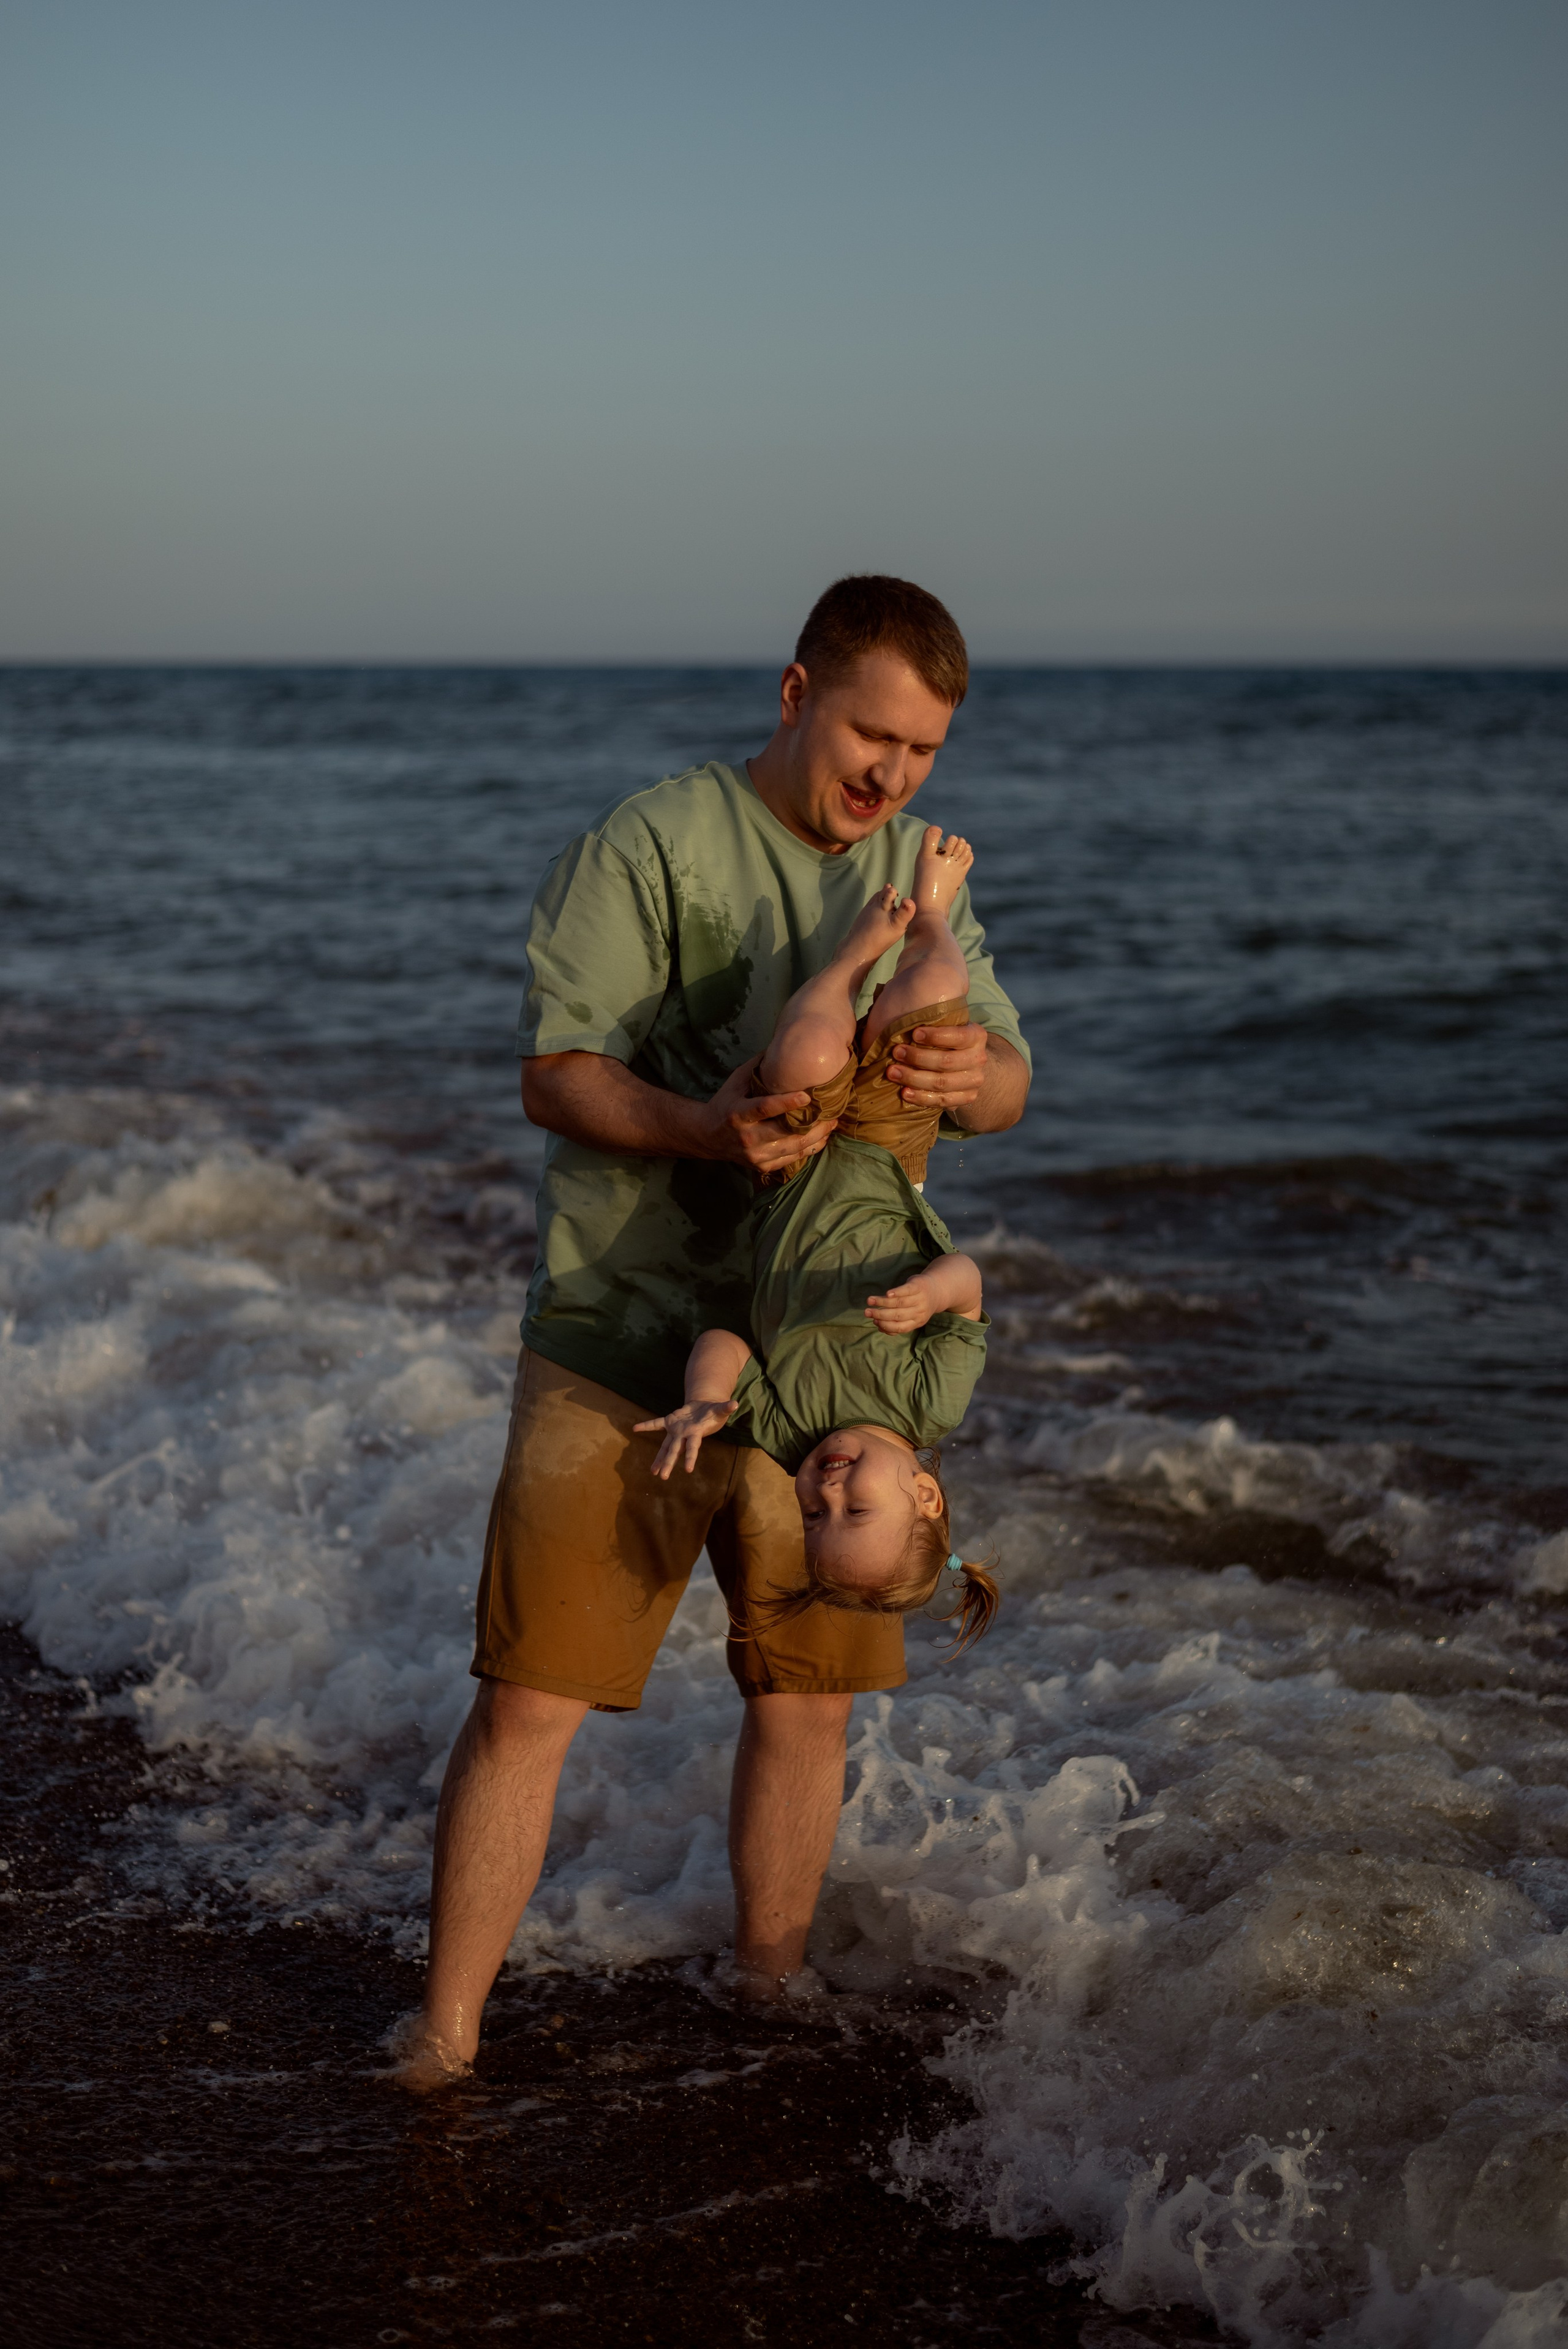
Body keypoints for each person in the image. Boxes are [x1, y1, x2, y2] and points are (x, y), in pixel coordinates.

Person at [396, 575, 1030, 2086]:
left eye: (926, 752)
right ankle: (444, 2031)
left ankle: (767, 1989)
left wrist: (968, 1079)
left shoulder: (918, 883)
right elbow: (554, 1076)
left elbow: (1009, 1077)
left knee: (805, 1709)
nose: (892, 775)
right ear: (798, 690)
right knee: (531, 1698)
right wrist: (700, 1124)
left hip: (827, 1387)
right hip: (622, 1330)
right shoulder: (653, 841)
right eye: (873, 732)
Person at [633, 826, 1001, 1648]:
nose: (827, 1490)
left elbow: (727, 1338)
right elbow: (971, 1281)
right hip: (887, 1151)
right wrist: (932, 1293)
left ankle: (848, 963)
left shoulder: (781, 1428)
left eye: (813, 1513)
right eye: (855, 1506)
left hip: (791, 1169)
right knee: (939, 986)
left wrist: (706, 1398)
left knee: (803, 1051)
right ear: (925, 1493)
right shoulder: (928, 1402)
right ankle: (930, 912)